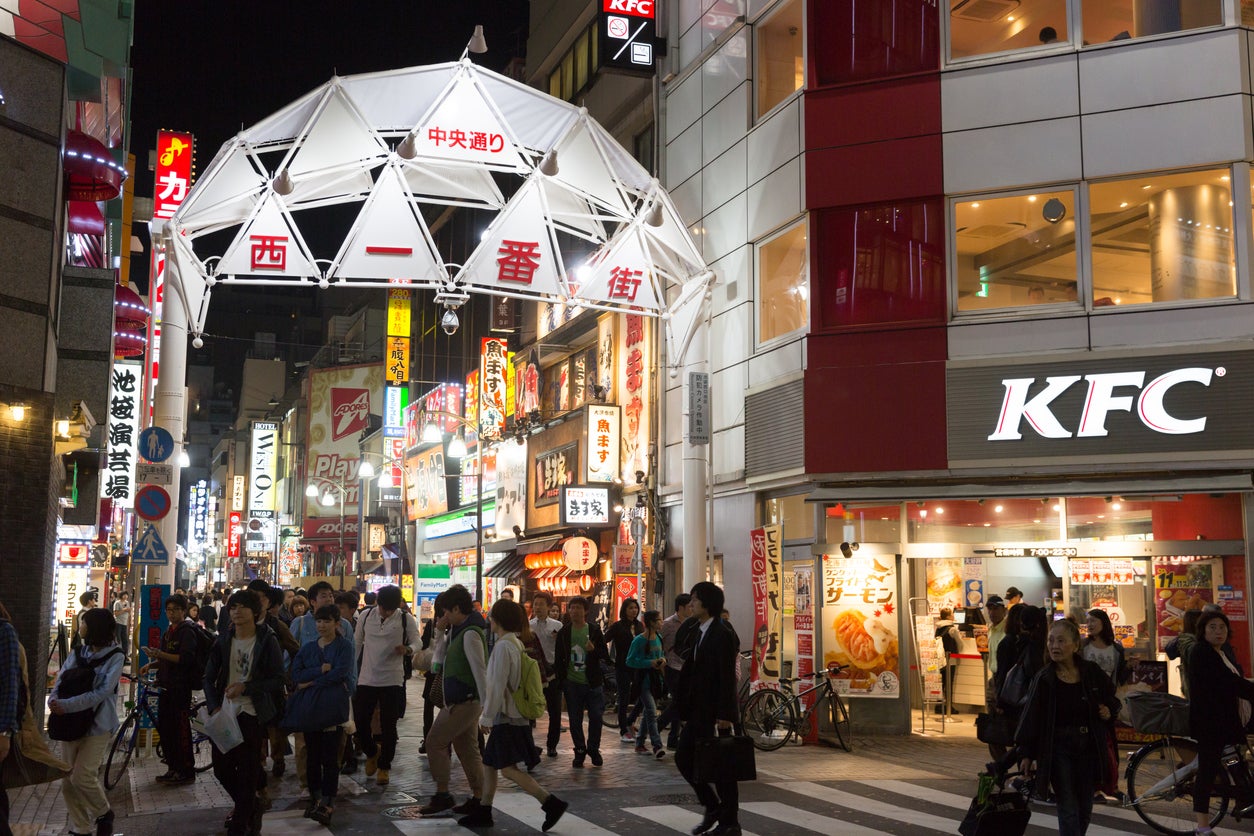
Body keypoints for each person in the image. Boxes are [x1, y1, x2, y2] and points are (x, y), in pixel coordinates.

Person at [456, 600, 569, 831]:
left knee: (507, 769)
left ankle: (550, 802)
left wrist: (486, 717)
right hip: (512, 715)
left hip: (507, 716)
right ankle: (484, 809)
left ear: (497, 620)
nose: (489, 619)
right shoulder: (514, 643)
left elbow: (497, 685)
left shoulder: (503, 647)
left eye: (492, 616)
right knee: (489, 762)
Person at [1016, 618, 1120, 835]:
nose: (1055, 646)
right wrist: (1026, 753)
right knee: (1068, 805)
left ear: (1075, 645)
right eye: (1051, 641)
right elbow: (1030, 718)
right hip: (1058, 747)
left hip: (1088, 746)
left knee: (1085, 805)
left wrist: (1108, 710)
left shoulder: (1090, 672)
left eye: (1061, 641)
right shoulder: (1044, 678)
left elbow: (1112, 697)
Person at [204, 589, 285, 836]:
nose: (236, 612)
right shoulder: (223, 640)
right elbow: (208, 676)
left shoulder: (267, 640)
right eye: (233, 607)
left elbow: (278, 678)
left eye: (242, 607)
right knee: (221, 768)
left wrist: (246, 687)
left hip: (253, 713)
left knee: (248, 769)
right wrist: (214, 705)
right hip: (226, 712)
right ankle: (250, 806)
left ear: (255, 611)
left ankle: (240, 823)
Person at [49, 607, 124, 836]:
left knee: (82, 775)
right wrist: (53, 699)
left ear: (95, 628)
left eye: (84, 623)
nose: (80, 628)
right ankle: (81, 828)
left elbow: (102, 692)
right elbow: (61, 678)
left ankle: (103, 813)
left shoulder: (116, 657)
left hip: (98, 725)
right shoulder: (78, 652)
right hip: (69, 724)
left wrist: (66, 705)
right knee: (68, 780)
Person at [674, 582, 740, 836]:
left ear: (707, 603)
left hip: (715, 714)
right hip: (699, 712)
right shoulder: (700, 630)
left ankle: (729, 822)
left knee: (723, 768)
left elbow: (726, 677)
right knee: (685, 758)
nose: (691, 603)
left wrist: (725, 715)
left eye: (695, 599)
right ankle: (714, 807)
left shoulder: (721, 633)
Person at [420, 585, 488, 816]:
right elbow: (436, 661)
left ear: (457, 608)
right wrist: (440, 632)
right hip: (461, 700)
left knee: (434, 742)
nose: (443, 617)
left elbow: (481, 672)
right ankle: (480, 798)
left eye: (446, 611)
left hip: (465, 701)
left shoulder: (470, 634)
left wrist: (487, 710)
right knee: (467, 749)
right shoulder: (458, 630)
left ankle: (443, 794)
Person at [1187, 610, 1254, 835]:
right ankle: (1202, 827)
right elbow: (1229, 682)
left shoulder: (1220, 652)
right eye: (1212, 627)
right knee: (1207, 772)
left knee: (1237, 761)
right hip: (1210, 724)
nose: (1218, 631)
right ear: (1203, 630)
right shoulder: (1202, 652)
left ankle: (1244, 802)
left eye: (1222, 627)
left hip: (1224, 721)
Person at [289, 582, 356, 794]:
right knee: (307, 749)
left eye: (330, 595)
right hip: (308, 701)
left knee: (332, 751)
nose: (329, 599)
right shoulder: (301, 629)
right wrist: (316, 674)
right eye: (324, 595)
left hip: (333, 700)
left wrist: (348, 688)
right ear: (312, 601)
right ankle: (310, 789)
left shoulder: (344, 635)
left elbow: (344, 669)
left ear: (336, 623)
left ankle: (327, 797)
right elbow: (294, 670)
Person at [352, 584, 418, 787]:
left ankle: (384, 766)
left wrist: (407, 649)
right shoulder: (365, 616)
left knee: (389, 726)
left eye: (390, 609)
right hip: (367, 678)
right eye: (383, 608)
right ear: (377, 604)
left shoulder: (406, 619)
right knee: (361, 722)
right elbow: (356, 643)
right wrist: (351, 672)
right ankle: (372, 752)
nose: (386, 612)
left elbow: (418, 643)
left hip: (392, 680)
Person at [140, 593, 198, 785]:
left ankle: (186, 770)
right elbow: (166, 657)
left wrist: (160, 654)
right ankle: (172, 768)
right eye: (169, 610)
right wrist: (153, 664)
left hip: (180, 688)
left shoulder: (186, 631)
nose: (171, 613)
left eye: (176, 610)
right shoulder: (168, 632)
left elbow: (185, 659)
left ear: (184, 611)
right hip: (166, 687)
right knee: (166, 730)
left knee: (180, 730)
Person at [553, 596, 608, 769]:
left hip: (593, 682)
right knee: (575, 720)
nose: (575, 611)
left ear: (585, 611)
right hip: (572, 683)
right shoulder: (564, 632)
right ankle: (579, 750)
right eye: (572, 608)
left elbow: (604, 654)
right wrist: (561, 680)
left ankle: (593, 748)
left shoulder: (593, 630)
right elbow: (558, 658)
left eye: (578, 608)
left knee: (596, 717)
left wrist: (594, 650)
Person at [626, 609, 667, 759]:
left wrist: (662, 661)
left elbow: (661, 655)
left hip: (656, 681)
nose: (661, 622)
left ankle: (640, 743)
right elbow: (630, 660)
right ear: (651, 622)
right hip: (643, 681)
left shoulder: (659, 638)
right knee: (651, 710)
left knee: (648, 713)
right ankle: (657, 745)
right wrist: (649, 663)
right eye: (659, 620)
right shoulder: (639, 640)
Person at [528, 592, 563, 757]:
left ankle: (552, 745)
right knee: (529, 709)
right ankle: (529, 745)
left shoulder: (557, 626)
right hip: (533, 672)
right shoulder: (528, 626)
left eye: (542, 604)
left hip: (552, 672)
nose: (538, 607)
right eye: (536, 604)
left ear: (549, 607)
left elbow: (563, 650)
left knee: (554, 710)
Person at [656, 593, 693, 749]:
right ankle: (656, 727)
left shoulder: (693, 623)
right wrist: (660, 660)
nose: (692, 608)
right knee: (679, 702)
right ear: (681, 607)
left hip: (686, 668)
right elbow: (657, 641)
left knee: (679, 703)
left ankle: (672, 739)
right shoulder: (668, 624)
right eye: (689, 606)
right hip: (671, 667)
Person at [605, 597, 643, 740]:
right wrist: (608, 659)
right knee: (624, 698)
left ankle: (629, 721)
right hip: (623, 666)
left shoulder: (640, 626)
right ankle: (623, 730)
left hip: (638, 666)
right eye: (630, 608)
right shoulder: (618, 626)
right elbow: (604, 640)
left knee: (643, 696)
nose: (634, 611)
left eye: (635, 608)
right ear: (624, 610)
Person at [1165, 609, 1204, 698]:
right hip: (1196, 685)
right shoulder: (1190, 640)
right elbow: (1170, 651)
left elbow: (1170, 651)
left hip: (1189, 684)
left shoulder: (1184, 639)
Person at [934, 607, 961, 715]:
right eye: (952, 614)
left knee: (941, 683)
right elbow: (960, 644)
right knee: (949, 684)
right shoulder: (952, 629)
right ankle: (949, 707)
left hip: (940, 660)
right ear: (949, 616)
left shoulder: (938, 628)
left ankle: (939, 706)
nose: (953, 615)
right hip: (951, 659)